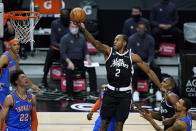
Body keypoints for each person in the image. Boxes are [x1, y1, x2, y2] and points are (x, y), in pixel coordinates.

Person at [78, 22, 161, 131]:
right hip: (110, 92)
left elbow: (149, 71)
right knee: (104, 122)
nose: (115, 41)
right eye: (114, 40)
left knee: (119, 125)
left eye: (118, 40)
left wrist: (160, 87)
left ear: (124, 43)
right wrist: (84, 29)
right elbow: (94, 42)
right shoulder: (108, 51)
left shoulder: (133, 57)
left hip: (125, 94)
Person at [0, 39, 41, 111]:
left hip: (6, 87)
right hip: (1, 88)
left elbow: (20, 73)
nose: (17, 47)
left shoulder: (16, 57)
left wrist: (32, 85)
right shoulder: (5, 57)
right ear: (9, 46)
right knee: (5, 110)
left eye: (18, 44)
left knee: (6, 111)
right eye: (14, 45)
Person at [60, 22, 97, 100]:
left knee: (92, 68)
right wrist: (69, 62)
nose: (74, 28)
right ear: (69, 28)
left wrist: (88, 59)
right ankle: (70, 94)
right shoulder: (65, 38)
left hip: (80, 60)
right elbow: (63, 53)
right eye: (72, 27)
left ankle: (93, 91)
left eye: (76, 27)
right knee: (69, 70)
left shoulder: (82, 37)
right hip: (69, 60)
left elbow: (86, 51)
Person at [127, 22, 162, 101]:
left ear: (146, 29)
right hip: (136, 61)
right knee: (134, 69)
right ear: (137, 29)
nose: (141, 30)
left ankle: (158, 91)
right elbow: (132, 54)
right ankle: (135, 91)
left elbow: (151, 53)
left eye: (143, 28)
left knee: (157, 68)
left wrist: (149, 62)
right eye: (140, 28)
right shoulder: (132, 39)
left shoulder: (150, 39)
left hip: (147, 61)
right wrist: (140, 63)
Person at [39, 8, 70, 89]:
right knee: (50, 52)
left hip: (68, 50)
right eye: (64, 16)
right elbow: (53, 40)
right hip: (58, 49)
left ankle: (67, 80)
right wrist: (61, 46)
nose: (65, 18)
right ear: (60, 16)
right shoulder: (55, 23)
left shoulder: (72, 24)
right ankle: (44, 78)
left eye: (67, 16)